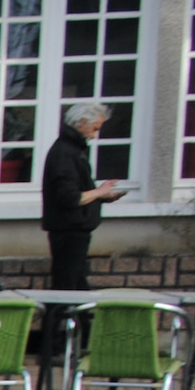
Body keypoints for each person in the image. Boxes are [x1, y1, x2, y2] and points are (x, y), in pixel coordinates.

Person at [41, 102, 128, 290]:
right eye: (94, 128)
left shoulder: (70, 150)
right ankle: (58, 319)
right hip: (69, 230)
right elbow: (70, 198)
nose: (95, 135)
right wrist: (99, 192)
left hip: (72, 229)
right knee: (67, 286)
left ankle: (79, 319)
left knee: (75, 284)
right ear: (81, 122)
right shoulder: (65, 153)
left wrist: (102, 196)